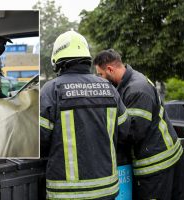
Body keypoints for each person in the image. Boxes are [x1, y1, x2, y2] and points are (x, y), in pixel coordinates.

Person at [40, 31, 130, 200]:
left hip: (67, 193)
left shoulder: (52, 90)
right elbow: (125, 131)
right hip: (106, 189)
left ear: (57, 61)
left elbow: (40, 139)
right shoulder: (109, 88)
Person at [93, 49, 184, 200]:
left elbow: (133, 133)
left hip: (157, 163)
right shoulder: (129, 83)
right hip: (161, 158)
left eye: (101, 75)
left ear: (110, 69)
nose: (101, 79)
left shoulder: (136, 89)